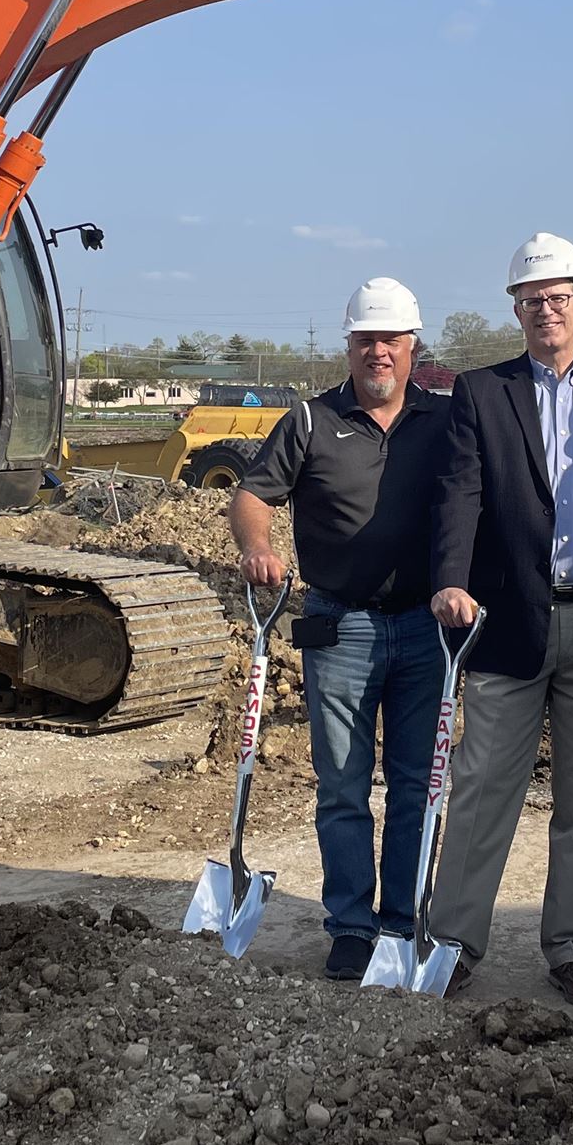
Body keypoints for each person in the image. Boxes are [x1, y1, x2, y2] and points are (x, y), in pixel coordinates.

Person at [428, 232, 573, 1009]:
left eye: (559, 298)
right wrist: (452, 581)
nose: (546, 310)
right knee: (484, 784)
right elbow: (462, 490)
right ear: (517, 310)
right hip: (508, 619)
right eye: (532, 300)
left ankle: (570, 947)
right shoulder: (481, 392)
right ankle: (455, 941)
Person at [231, 278, 454, 981]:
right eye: (367, 340)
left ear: (413, 346)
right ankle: (352, 925)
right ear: (349, 345)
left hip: (427, 629)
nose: (379, 351)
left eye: (391, 339)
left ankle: (401, 923)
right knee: (344, 786)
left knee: (417, 786)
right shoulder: (308, 419)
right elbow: (251, 495)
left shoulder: (447, 422)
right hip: (339, 625)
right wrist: (257, 548)